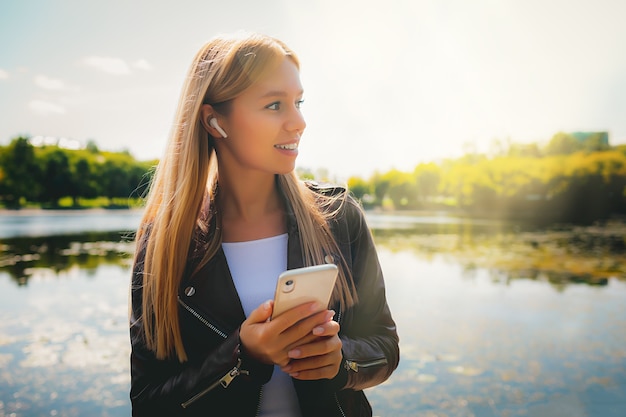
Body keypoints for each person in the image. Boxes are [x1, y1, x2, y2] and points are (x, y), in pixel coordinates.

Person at [129, 32, 399, 417]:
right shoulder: (165, 245)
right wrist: (243, 357)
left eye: (298, 102)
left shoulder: (339, 216)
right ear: (214, 121)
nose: (299, 122)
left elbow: (385, 346)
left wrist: (342, 362)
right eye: (275, 105)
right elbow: (149, 403)